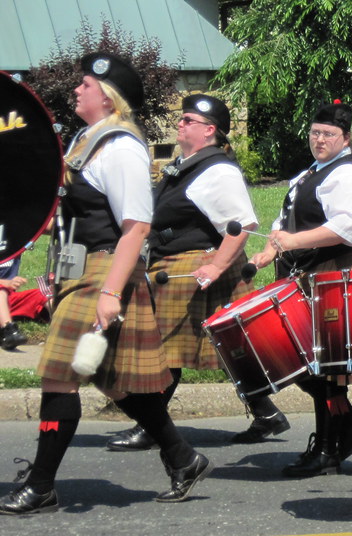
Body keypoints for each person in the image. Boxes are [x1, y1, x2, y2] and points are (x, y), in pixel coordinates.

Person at [0, 53, 211, 516]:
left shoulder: (121, 148)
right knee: (117, 385)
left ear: (109, 97)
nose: (77, 89)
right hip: (81, 272)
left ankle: (41, 486)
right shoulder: (85, 140)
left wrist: (112, 292)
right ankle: (183, 457)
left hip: (104, 272)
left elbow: (136, 226)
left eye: (86, 85)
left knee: (60, 376)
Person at [105, 94, 258, 452]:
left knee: (165, 350)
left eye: (188, 120)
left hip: (196, 266)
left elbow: (242, 225)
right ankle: (266, 414)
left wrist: (217, 266)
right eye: (182, 118)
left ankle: (151, 426)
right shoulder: (185, 164)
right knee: (226, 351)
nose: (180, 123)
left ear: (210, 130)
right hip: (176, 265)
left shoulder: (218, 170)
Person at [250, 101, 352, 476]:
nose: (319, 140)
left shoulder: (349, 176)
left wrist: (291, 242)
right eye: (315, 133)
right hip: (305, 274)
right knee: (302, 361)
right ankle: (347, 425)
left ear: (347, 137)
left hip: (333, 274)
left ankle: (327, 447)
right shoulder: (313, 172)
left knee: (318, 364)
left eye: (328, 134)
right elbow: (285, 222)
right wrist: (267, 249)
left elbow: (344, 229)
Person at [1, 258, 31, 349]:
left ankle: (65, 329)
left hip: (7, 299)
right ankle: (8, 331)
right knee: (1, 291)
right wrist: (5, 282)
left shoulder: (14, 245)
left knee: (41, 295)